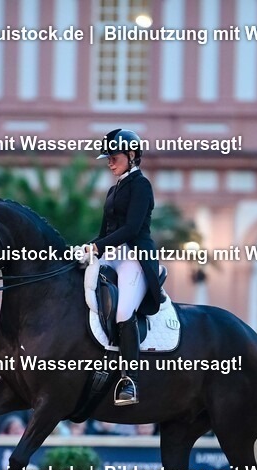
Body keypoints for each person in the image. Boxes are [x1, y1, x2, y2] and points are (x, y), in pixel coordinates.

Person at [85, 128, 164, 406]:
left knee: (122, 311)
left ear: (132, 155)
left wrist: (98, 247)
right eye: (107, 157)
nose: (109, 161)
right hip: (112, 254)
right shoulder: (113, 188)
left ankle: (129, 380)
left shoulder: (141, 186)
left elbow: (131, 229)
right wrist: (86, 248)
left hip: (134, 256)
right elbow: (105, 231)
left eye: (114, 156)